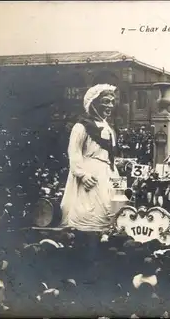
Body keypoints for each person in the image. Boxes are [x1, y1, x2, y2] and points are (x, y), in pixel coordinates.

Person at [60, 84, 120, 231]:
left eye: (112, 101)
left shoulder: (109, 128)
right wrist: (82, 175)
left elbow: (108, 154)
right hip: (90, 173)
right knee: (89, 213)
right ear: (93, 103)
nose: (110, 105)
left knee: (111, 210)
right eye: (105, 101)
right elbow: (74, 153)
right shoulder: (81, 127)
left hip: (108, 173)